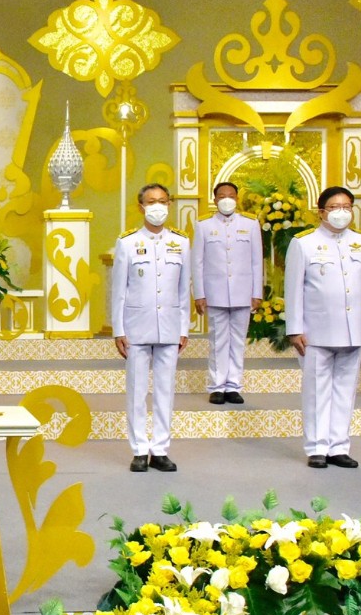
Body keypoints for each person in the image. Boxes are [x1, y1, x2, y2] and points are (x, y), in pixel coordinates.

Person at [285, 186, 361, 469]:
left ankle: (339, 446)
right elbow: (293, 289)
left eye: (347, 207)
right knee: (316, 391)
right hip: (316, 331)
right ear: (321, 212)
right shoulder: (304, 243)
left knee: (345, 391)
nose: (341, 212)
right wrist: (294, 328)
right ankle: (317, 447)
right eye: (335, 207)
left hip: (353, 330)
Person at [112, 184, 192, 471]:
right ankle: (138, 449)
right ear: (141, 207)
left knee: (165, 391)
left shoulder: (181, 242)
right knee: (137, 391)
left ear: (169, 204)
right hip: (136, 327)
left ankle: (160, 449)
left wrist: (184, 327)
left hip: (169, 327)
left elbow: (184, 289)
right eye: (151, 201)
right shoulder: (128, 242)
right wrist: (118, 329)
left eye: (162, 201)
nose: (157, 206)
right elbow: (119, 290)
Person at [191, 180, 264, 404]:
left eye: (231, 196)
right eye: (222, 196)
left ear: (237, 198)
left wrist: (257, 292)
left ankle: (233, 385)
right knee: (218, 341)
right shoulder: (204, 225)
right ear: (215, 200)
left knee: (238, 341)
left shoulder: (250, 224)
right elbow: (197, 262)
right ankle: (217, 386)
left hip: (243, 292)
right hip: (215, 293)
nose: (226, 200)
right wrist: (199, 294)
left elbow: (257, 261)